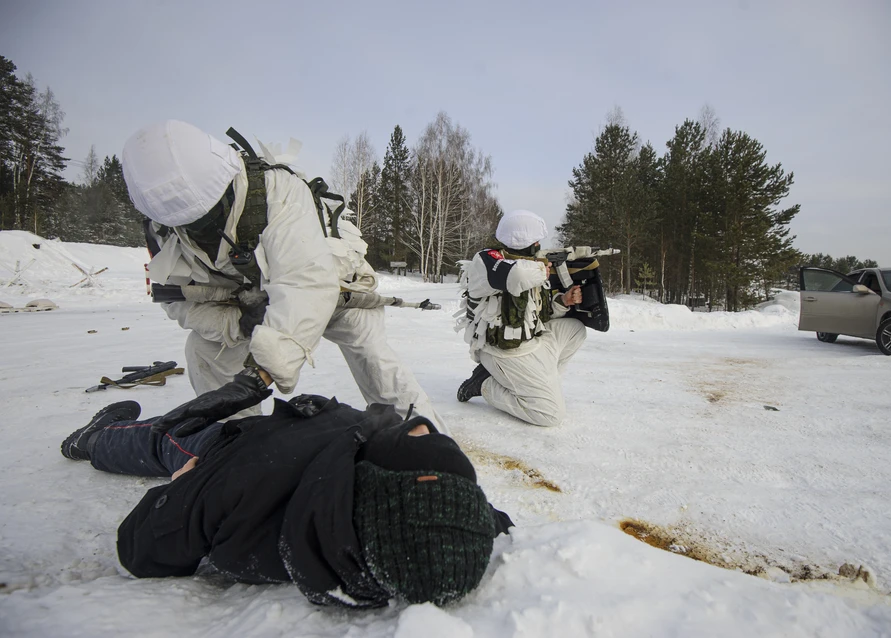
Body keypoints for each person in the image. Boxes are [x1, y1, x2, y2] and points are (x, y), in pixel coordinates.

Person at [122, 120, 446, 432]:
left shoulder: (276, 191)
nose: (200, 226)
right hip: (249, 303)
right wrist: (235, 325)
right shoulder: (162, 232)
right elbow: (179, 300)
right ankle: (237, 447)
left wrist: (259, 374)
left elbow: (306, 283)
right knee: (204, 351)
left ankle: (430, 449)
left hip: (335, 282)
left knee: (373, 357)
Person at [59, 393, 512, 608]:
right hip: (304, 425)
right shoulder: (416, 516)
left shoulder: (243, 485)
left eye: (415, 442)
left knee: (165, 440)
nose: (420, 428)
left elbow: (140, 548)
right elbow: (459, 523)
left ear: (378, 483)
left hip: (230, 448)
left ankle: (92, 436)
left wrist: (179, 484)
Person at [455, 210, 587, 427]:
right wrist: (543, 269)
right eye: (535, 240)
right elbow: (517, 275)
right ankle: (486, 384)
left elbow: (538, 314)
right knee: (551, 415)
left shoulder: (530, 264)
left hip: (531, 342)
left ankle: (539, 382)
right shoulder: (486, 260)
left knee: (575, 329)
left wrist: (564, 301)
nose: (538, 245)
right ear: (524, 242)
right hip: (504, 353)